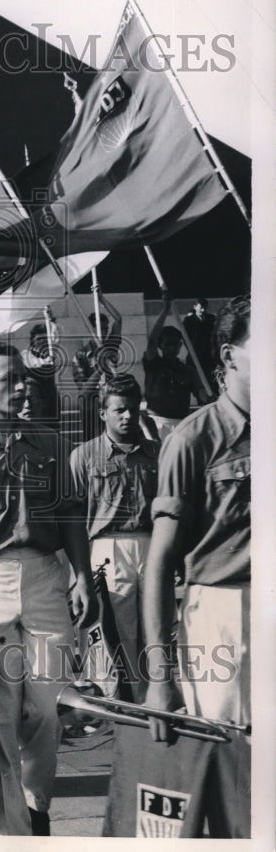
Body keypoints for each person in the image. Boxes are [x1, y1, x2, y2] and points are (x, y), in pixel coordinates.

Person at [0, 341, 98, 835]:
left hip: (46, 576)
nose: (23, 387)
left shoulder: (50, 444)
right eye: (9, 379)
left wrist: (83, 575)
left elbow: (71, 516)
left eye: (24, 377)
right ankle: (15, 822)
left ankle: (37, 800)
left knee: (45, 702)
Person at [144, 294, 251, 735]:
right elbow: (159, 564)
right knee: (232, 765)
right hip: (225, 615)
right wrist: (158, 678)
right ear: (229, 356)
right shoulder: (194, 440)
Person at [69, 373, 160, 700]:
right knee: (115, 634)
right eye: (119, 409)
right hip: (106, 549)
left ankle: (153, 703)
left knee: (154, 629)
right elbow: (74, 518)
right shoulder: (84, 456)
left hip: (150, 545)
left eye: (133, 409)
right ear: (103, 412)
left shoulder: (155, 452)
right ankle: (120, 703)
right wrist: (77, 573)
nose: (127, 416)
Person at [143, 293, 209, 439]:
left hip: (181, 424)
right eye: (167, 344)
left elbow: (201, 393)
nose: (171, 348)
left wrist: (212, 398)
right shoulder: (153, 364)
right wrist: (165, 309)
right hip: (156, 423)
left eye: (175, 344)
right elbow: (152, 341)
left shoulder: (189, 371)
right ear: (161, 346)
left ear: (180, 346)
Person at [71, 290, 123, 441]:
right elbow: (83, 391)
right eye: (100, 328)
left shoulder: (110, 346)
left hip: (112, 402)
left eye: (106, 328)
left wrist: (101, 299)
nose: (104, 332)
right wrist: (100, 368)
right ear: (90, 329)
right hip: (92, 408)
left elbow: (118, 319)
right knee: (94, 444)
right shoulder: (81, 355)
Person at [20, 308, 60, 422]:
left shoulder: (51, 351)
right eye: (39, 339)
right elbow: (33, 364)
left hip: (50, 395)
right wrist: (45, 361)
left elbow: (56, 336)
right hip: (35, 399)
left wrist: (51, 320)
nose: (42, 342)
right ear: (32, 342)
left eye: (45, 339)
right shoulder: (25, 355)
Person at [182, 297, 217, 389]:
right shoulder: (189, 320)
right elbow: (185, 337)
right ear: (195, 307)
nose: (203, 310)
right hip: (195, 357)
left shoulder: (212, 319)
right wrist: (191, 349)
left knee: (212, 383)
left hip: (209, 358)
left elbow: (215, 335)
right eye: (200, 307)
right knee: (197, 384)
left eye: (205, 307)